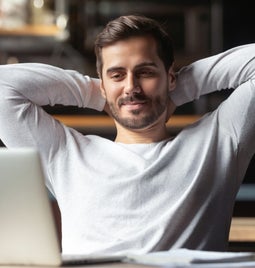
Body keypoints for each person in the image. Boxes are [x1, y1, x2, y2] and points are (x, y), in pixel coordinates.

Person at [0, 14, 254, 255]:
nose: (131, 87)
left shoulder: (220, 141)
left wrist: (179, 90)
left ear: (170, 77)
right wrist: (96, 92)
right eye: (117, 75)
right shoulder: (65, 154)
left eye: (145, 72)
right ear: (103, 83)